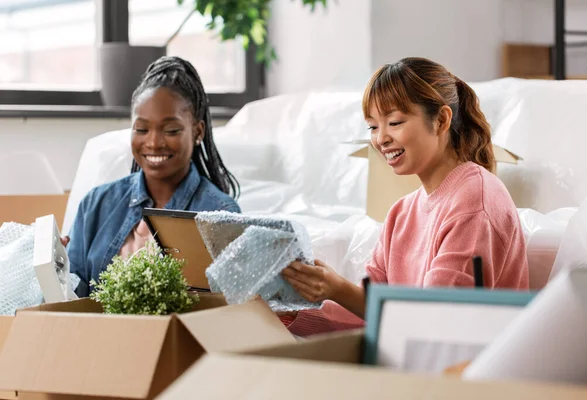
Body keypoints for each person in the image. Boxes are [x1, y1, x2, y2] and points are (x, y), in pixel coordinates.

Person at [281, 57, 529, 336]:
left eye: (395, 122)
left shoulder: (475, 200)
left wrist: (338, 288)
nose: (381, 139)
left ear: (441, 120)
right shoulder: (401, 212)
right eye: (373, 127)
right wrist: (292, 311)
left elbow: (434, 317)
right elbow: (367, 309)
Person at [65, 56, 241, 297]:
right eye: (141, 129)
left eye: (170, 130)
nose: (154, 142)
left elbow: (224, 309)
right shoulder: (96, 204)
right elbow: (71, 300)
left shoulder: (220, 214)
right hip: (98, 334)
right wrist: (57, 273)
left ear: (197, 132)